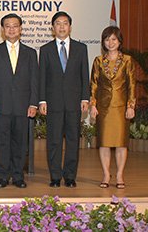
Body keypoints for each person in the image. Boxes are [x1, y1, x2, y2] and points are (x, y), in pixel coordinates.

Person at [0, 13, 38, 188]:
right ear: (2, 30)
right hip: (1, 105)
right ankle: (2, 175)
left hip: (23, 106)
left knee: (20, 142)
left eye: (15, 26)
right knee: (1, 142)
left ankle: (17, 176)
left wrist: (33, 103)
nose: (11, 29)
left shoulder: (30, 53)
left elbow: (34, 81)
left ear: (21, 29)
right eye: (7, 26)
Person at [39, 11, 89, 188]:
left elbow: (85, 75)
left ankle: (70, 176)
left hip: (74, 102)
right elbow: (42, 77)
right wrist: (42, 100)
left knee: (73, 140)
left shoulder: (81, 48)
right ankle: (54, 176)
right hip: (53, 103)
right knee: (53, 140)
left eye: (65, 23)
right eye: (58, 23)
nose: (61, 26)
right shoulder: (45, 50)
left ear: (70, 27)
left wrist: (85, 97)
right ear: (53, 28)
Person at [90, 26, 136, 189]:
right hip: (103, 108)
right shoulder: (98, 61)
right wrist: (93, 105)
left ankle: (119, 175)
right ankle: (105, 174)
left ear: (119, 41)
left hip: (121, 107)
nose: (110, 42)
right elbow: (94, 85)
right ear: (103, 42)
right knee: (104, 143)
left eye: (113, 39)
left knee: (120, 143)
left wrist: (130, 106)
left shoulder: (128, 60)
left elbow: (131, 84)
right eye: (107, 39)